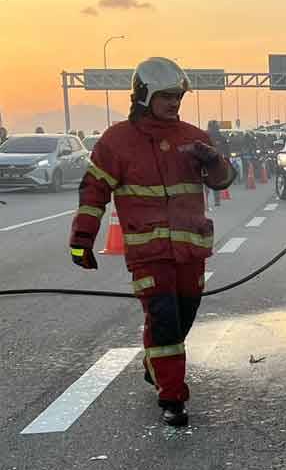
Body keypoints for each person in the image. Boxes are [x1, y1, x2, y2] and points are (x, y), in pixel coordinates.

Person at [68, 57, 236, 426]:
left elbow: (223, 181)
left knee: (185, 315)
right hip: (148, 254)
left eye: (177, 96)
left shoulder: (194, 138)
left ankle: (155, 363)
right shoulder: (117, 142)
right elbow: (94, 190)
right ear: (143, 96)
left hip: (190, 251)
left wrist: (214, 161)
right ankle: (172, 399)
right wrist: (82, 239)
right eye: (166, 96)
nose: (174, 103)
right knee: (164, 321)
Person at [205, 121, 230, 207]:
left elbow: (226, 149)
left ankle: (210, 200)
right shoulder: (219, 137)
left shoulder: (206, 135)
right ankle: (214, 200)